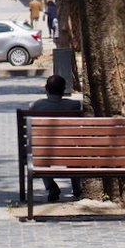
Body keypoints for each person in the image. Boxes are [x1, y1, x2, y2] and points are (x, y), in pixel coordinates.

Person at [30, 74, 82, 203]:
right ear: (64, 89)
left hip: (45, 152)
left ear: (46, 89)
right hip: (70, 151)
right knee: (73, 156)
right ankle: (76, 187)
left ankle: (51, 186)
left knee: (39, 157)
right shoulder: (74, 105)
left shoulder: (37, 105)